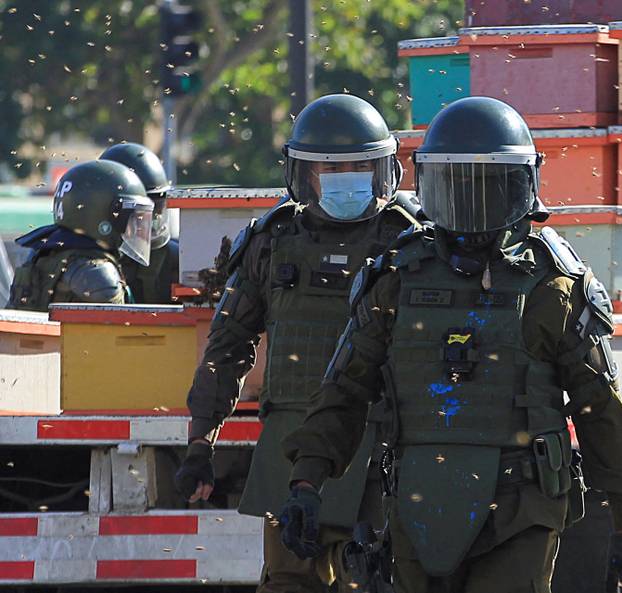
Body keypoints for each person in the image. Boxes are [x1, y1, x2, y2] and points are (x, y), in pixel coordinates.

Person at [278, 96, 622, 593]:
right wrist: (306, 483)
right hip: (418, 502)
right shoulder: (396, 280)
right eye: (458, 185)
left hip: (520, 510)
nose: (472, 204)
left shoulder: (551, 288)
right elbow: (344, 392)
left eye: (487, 186)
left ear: (518, 186)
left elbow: (600, 410)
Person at [174, 94, 421, 593]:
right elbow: (228, 345)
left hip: (382, 448)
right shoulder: (271, 241)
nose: (345, 177)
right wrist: (201, 441)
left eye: (357, 166)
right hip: (289, 444)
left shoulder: (411, 243)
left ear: (382, 170)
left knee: (374, 577)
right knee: (288, 579)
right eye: (331, 167)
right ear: (304, 173)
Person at [6, 160, 154, 310]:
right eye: (129, 217)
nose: (133, 228)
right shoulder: (97, 273)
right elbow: (119, 324)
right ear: (102, 215)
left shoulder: (44, 253)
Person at [99, 142, 179, 304]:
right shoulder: (86, 261)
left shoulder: (173, 259)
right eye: (140, 213)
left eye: (156, 209)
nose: (151, 220)